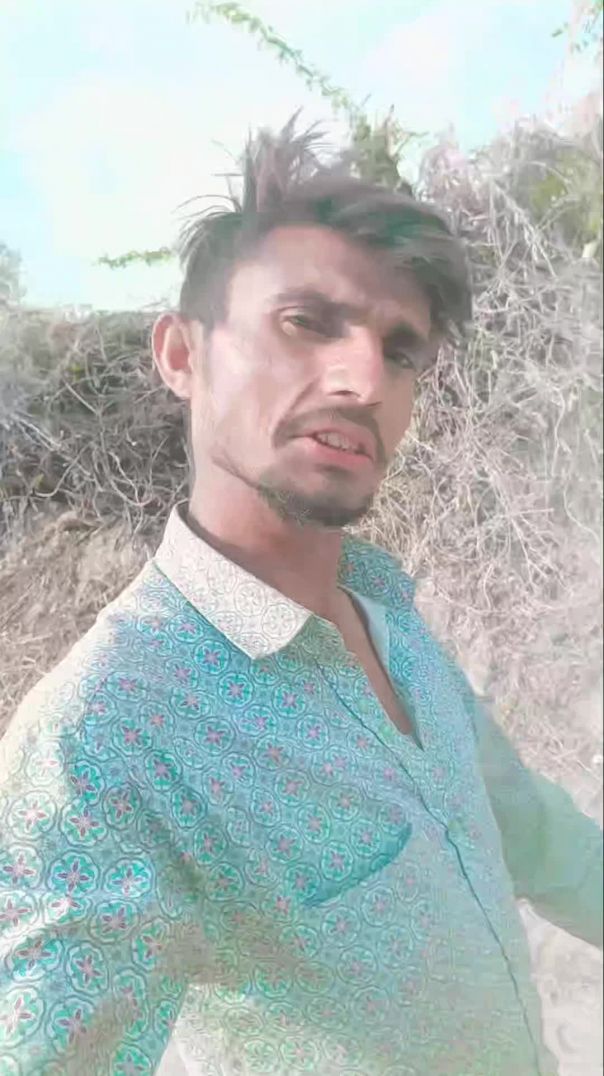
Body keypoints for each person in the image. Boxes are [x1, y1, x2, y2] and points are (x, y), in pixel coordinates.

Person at [0, 117, 601, 1076]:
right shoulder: (105, 740)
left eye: (399, 351)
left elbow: (535, 835)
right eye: (305, 322)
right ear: (182, 355)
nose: (363, 380)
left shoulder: (391, 620)